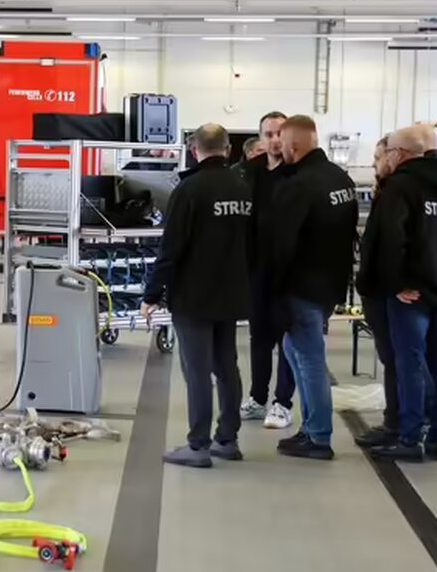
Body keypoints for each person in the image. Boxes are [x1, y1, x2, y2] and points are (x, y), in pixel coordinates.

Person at [141, 123, 251, 468]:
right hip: (232, 292)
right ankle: (227, 439)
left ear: (193, 150)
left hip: (194, 296)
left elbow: (171, 247)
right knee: (226, 366)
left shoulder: (190, 189)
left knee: (197, 370)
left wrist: (151, 293)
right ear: (228, 150)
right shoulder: (243, 187)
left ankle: (198, 444)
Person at [365, 125, 437, 462]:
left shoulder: (401, 185)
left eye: (391, 152)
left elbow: (389, 240)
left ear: (400, 154)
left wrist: (396, 283)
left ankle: (409, 438)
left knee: (409, 362)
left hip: (411, 294)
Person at [269, 115, 358, 460]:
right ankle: (310, 429)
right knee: (296, 352)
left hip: (301, 287)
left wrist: (270, 288)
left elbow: (283, 243)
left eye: (282, 143)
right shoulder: (341, 179)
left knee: (308, 359)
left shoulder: (300, 185)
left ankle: (318, 436)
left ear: (294, 146)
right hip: (329, 284)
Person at [239, 111, 297, 430]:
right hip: (257, 272)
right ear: (260, 138)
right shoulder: (250, 174)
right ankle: (258, 398)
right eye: (269, 133)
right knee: (259, 338)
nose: (275, 139)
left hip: (290, 276)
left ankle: (282, 403)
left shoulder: (299, 174)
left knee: (287, 341)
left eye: (280, 133)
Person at [353, 136, 402, 448]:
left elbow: (398, 245)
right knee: (395, 361)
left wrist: (401, 283)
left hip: (389, 293)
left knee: (398, 362)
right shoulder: (389, 191)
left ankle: (398, 425)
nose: (374, 164)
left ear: (394, 156)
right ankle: (397, 420)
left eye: (377, 158)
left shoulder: (399, 193)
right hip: (381, 291)